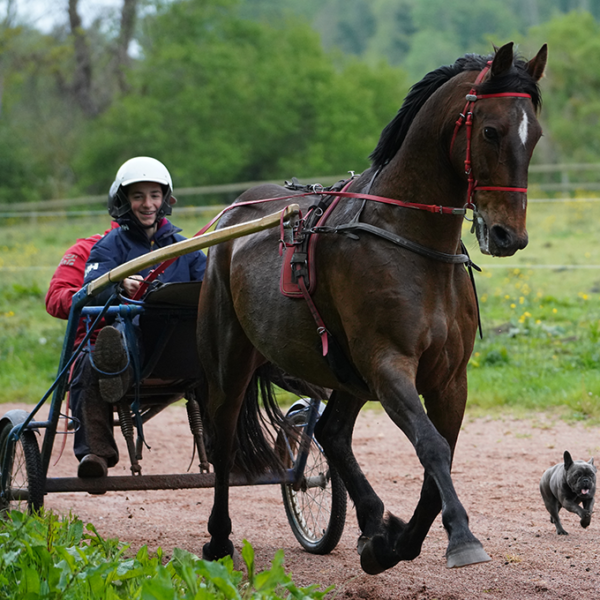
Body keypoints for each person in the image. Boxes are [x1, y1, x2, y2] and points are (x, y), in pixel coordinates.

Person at [69, 156, 206, 478]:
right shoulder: (108, 248)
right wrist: (116, 284)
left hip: (184, 349)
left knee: (225, 353)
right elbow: (90, 292)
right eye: (138, 196)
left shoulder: (185, 248)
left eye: (155, 195)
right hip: (135, 343)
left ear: (165, 200)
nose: (148, 204)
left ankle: (231, 447)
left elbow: (210, 284)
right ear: (123, 201)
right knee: (91, 363)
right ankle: (96, 454)